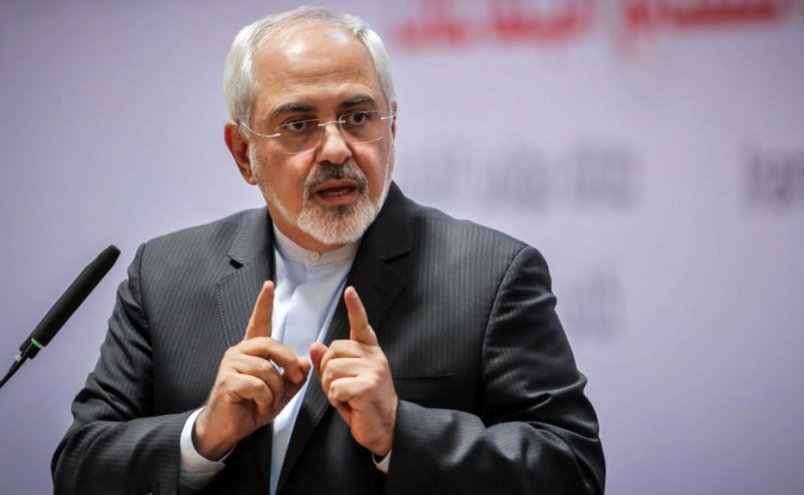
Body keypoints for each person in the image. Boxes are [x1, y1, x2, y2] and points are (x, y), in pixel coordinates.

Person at [52, 6, 605, 495]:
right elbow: (79, 466)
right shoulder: (164, 274)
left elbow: (572, 470)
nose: (337, 148)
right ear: (243, 152)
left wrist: (400, 432)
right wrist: (201, 437)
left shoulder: (491, 275)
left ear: (392, 127)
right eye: (298, 124)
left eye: (358, 117)